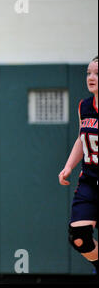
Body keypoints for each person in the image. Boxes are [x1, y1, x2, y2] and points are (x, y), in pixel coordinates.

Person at [59, 56, 98, 275]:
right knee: (79, 238)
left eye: (97, 74)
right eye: (88, 73)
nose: (91, 78)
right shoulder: (84, 106)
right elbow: (81, 139)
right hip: (89, 182)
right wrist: (68, 167)